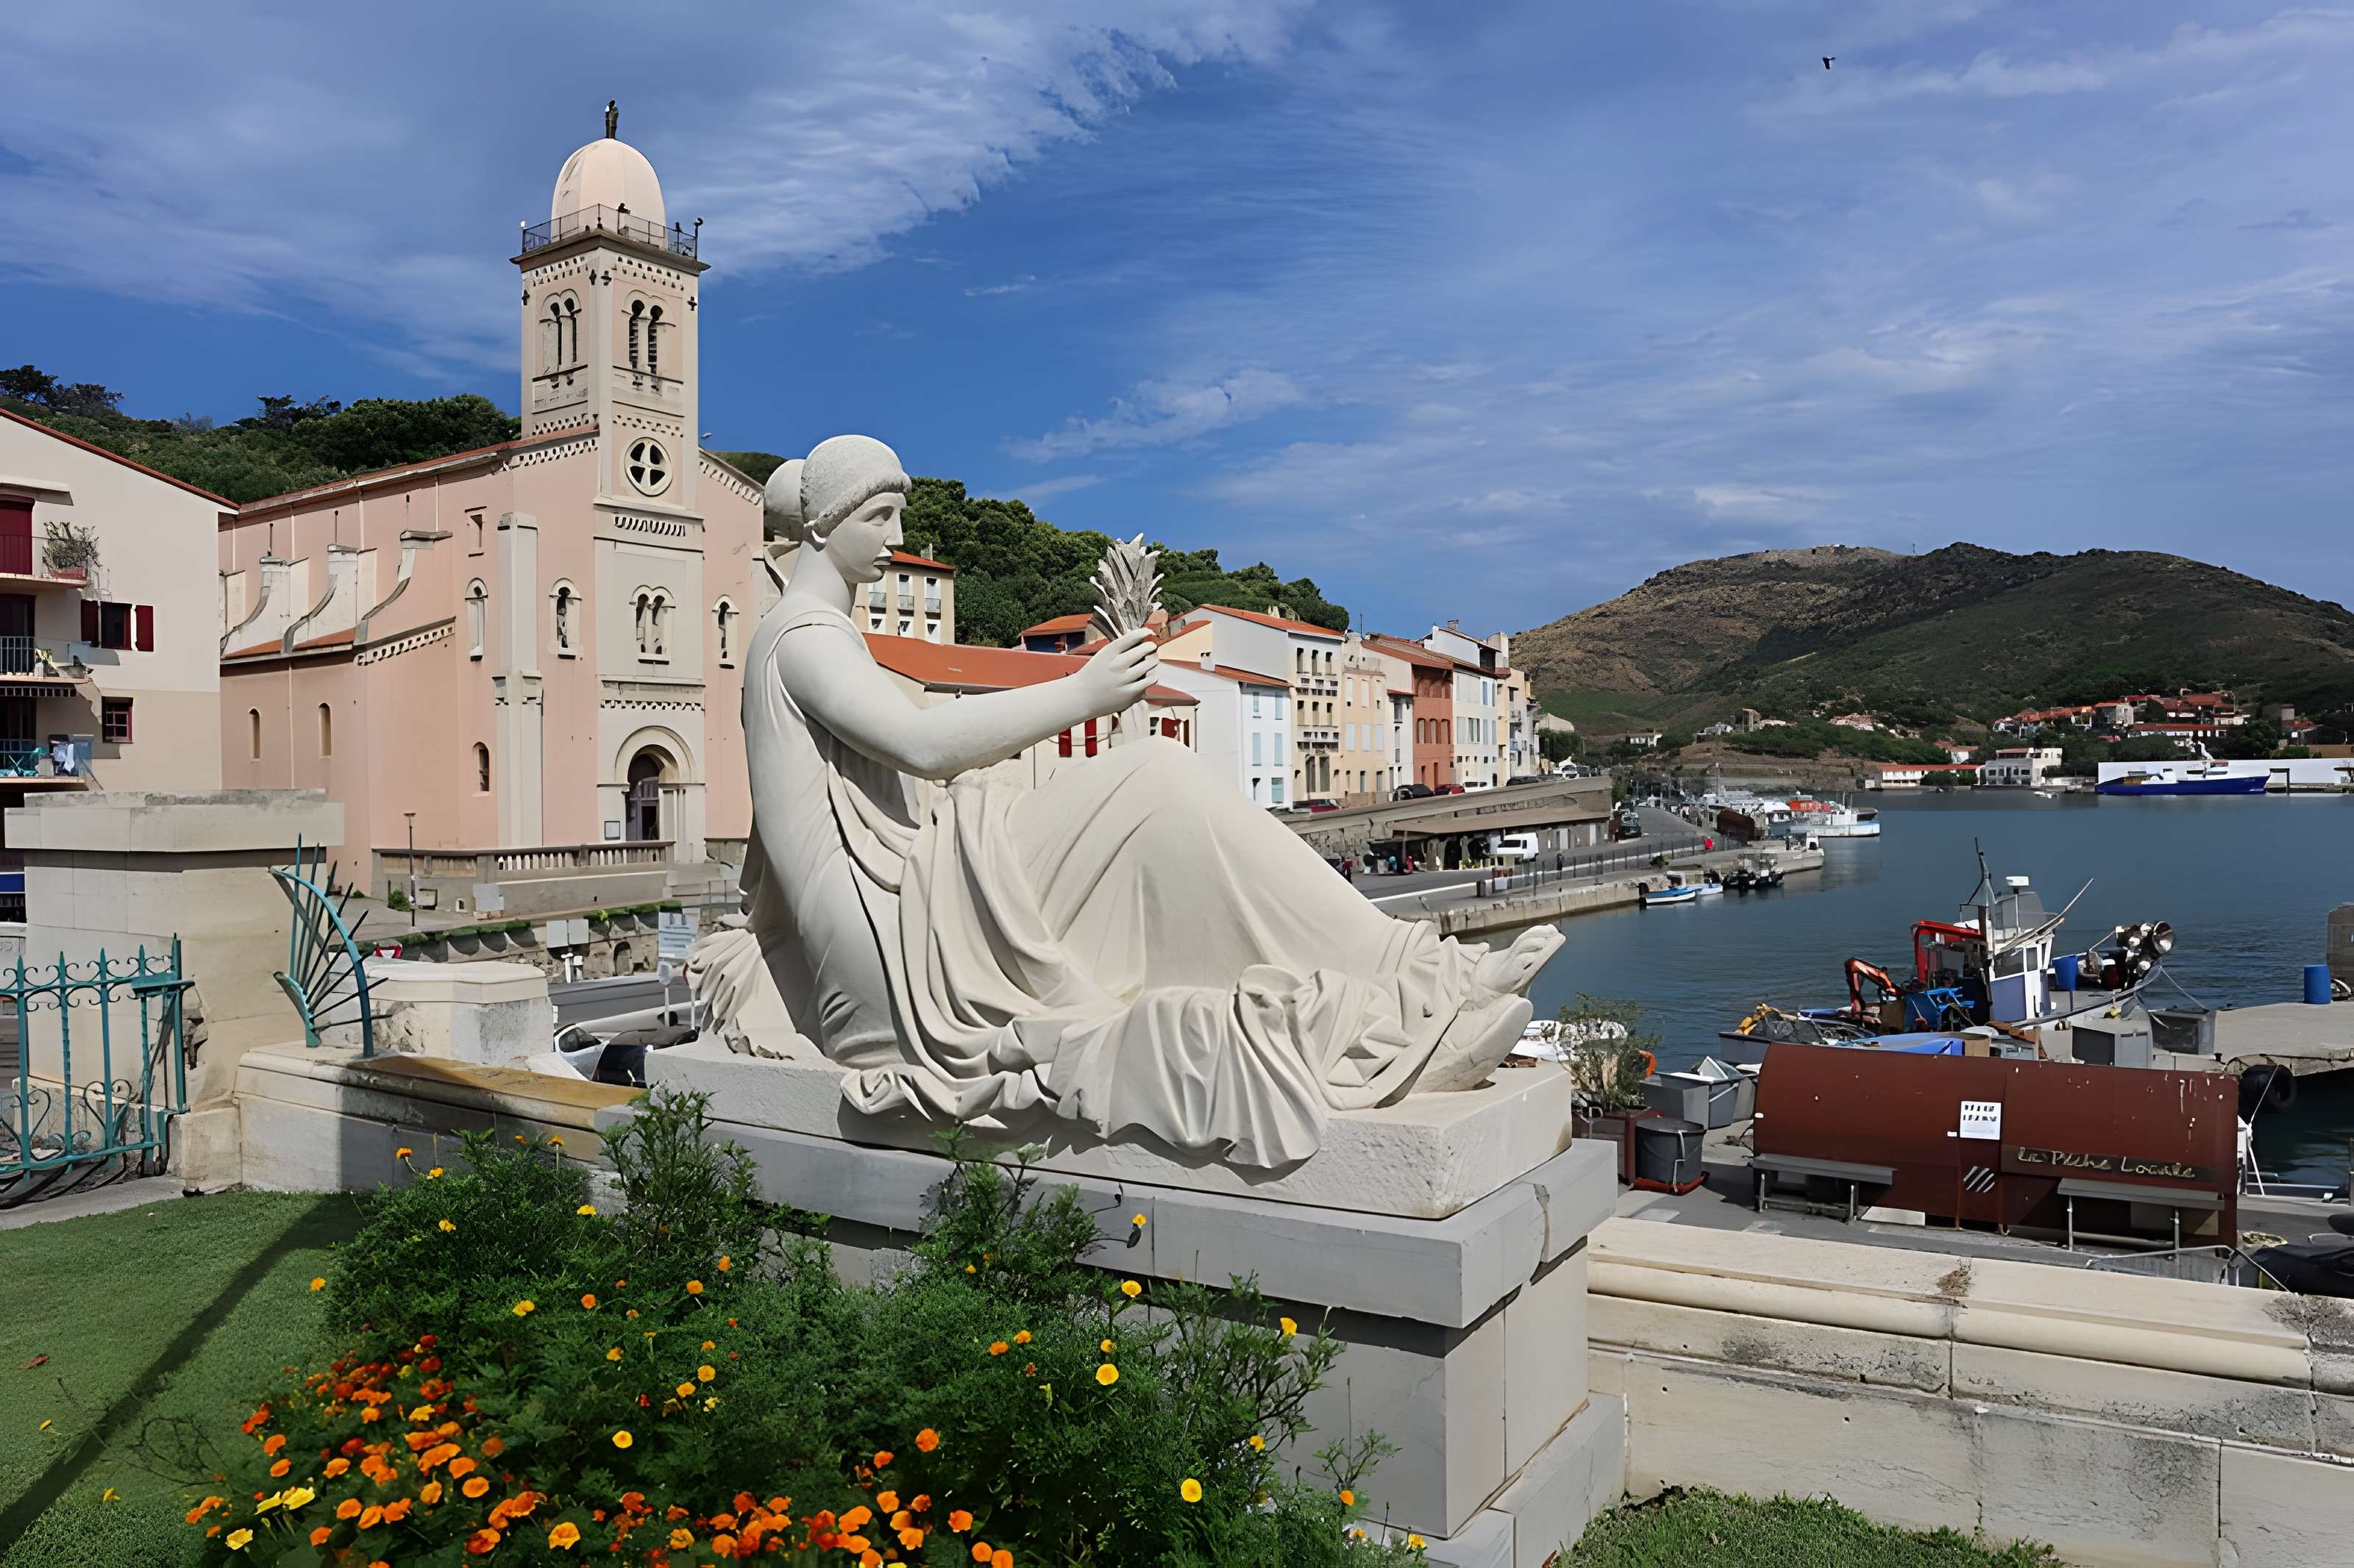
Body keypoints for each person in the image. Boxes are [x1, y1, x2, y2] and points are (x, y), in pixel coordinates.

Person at [694, 435, 1562, 1169]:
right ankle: (1412, 988)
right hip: (892, 948)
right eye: (879, 517)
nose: (896, 537)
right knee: (1152, 781)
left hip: (914, 898)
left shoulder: (816, 638)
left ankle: (1410, 983)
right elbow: (922, 744)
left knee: (1149, 787)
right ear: (823, 523)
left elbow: (920, 775)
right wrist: (1083, 689)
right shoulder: (803, 638)